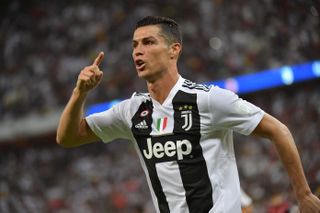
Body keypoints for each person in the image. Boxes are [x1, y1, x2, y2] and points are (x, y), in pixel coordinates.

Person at [56, 16, 320, 213]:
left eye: (149, 42)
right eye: (135, 44)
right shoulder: (132, 111)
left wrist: (303, 193)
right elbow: (68, 138)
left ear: (174, 50)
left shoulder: (209, 100)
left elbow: (279, 130)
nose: (138, 50)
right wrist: (80, 93)